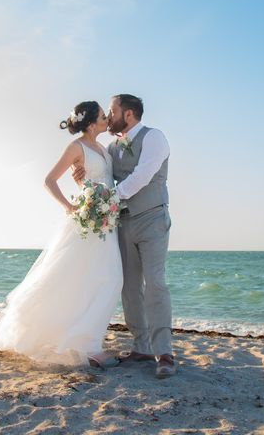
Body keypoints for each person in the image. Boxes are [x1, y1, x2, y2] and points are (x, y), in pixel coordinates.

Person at [0, 101, 122, 368]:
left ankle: (85, 338)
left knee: (107, 279)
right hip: (85, 223)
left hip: (106, 222)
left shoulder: (104, 149)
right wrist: (70, 206)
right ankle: (90, 346)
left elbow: (101, 181)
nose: (107, 118)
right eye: (102, 116)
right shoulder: (76, 147)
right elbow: (49, 180)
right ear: (92, 122)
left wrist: (84, 184)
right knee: (82, 279)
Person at [73, 94, 174, 378]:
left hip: (152, 217)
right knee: (129, 287)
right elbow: (101, 176)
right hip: (122, 223)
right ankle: (142, 347)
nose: (108, 115)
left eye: (112, 111)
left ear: (128, 114)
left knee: (155, 282)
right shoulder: (111, 148)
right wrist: (81, 178)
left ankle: (164, 352)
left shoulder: (154, 138)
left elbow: (142, 175)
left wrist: (112, 197)